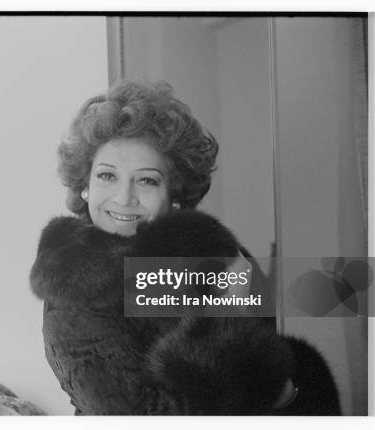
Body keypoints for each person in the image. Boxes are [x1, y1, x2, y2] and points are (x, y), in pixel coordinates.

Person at [29, 79, 340, 415]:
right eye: (107, 176)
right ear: (84, 186)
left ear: (174, 196)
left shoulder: (210, 251)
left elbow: (268, 349)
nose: (124, 197)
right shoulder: (72, 287)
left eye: (146, 180)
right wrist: (234, 337)